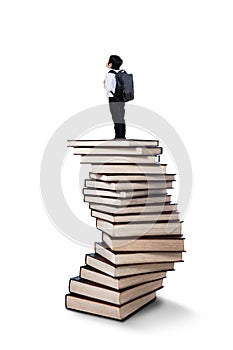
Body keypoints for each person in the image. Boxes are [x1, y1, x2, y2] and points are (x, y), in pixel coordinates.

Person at [103, 55, 126, 139]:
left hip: (113, 97)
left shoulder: (110, 74)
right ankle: (122, 135)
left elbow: (107, 88)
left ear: (111, 64)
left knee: (116, 117)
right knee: (121, 116)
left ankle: (118, 136)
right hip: (122, 97)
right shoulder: (122, 72)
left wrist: (104, 82)